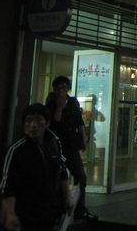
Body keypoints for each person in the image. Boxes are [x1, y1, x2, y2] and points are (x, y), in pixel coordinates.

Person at [0, 103, 75, 231]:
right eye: (28, 121)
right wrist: (10, 214)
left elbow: (62, 171)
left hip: (50, 212)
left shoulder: (54, 143)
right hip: (26, 215)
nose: (33, 125)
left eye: (39, 120)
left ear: (47, 123)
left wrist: (67, 196)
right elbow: (7, 186)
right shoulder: (16, 150)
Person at [44, 75, 93, 221]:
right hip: (57, 148)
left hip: (71, 146)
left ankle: (80, 209)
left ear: (68, 89)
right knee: (57, 178)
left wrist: (84, 137)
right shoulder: (50, 103)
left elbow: (79, 121)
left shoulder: (73, 102)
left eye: (64, 87)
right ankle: (58, 209)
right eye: (58, 88)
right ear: (54, 89)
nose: (61, 91)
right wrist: (59, 106)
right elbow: (54, 123)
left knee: (81, 177)